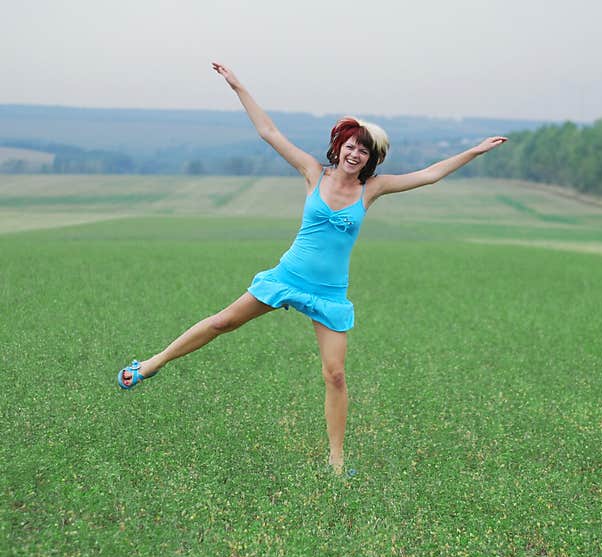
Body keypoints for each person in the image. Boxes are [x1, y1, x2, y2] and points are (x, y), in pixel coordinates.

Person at [118, 62, 507, 475]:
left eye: (365, 151)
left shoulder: (371, 189)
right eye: (351, 146)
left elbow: (429, 175)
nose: (355, 155)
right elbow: (269, 133)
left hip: (329, 294)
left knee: (335, 376)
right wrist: (238, 86)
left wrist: (473, 151)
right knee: (221, 323)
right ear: (339, 146)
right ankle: (152, 364)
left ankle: (336, 463)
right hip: (287, 277)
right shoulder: (312, 173)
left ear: (371, 159)